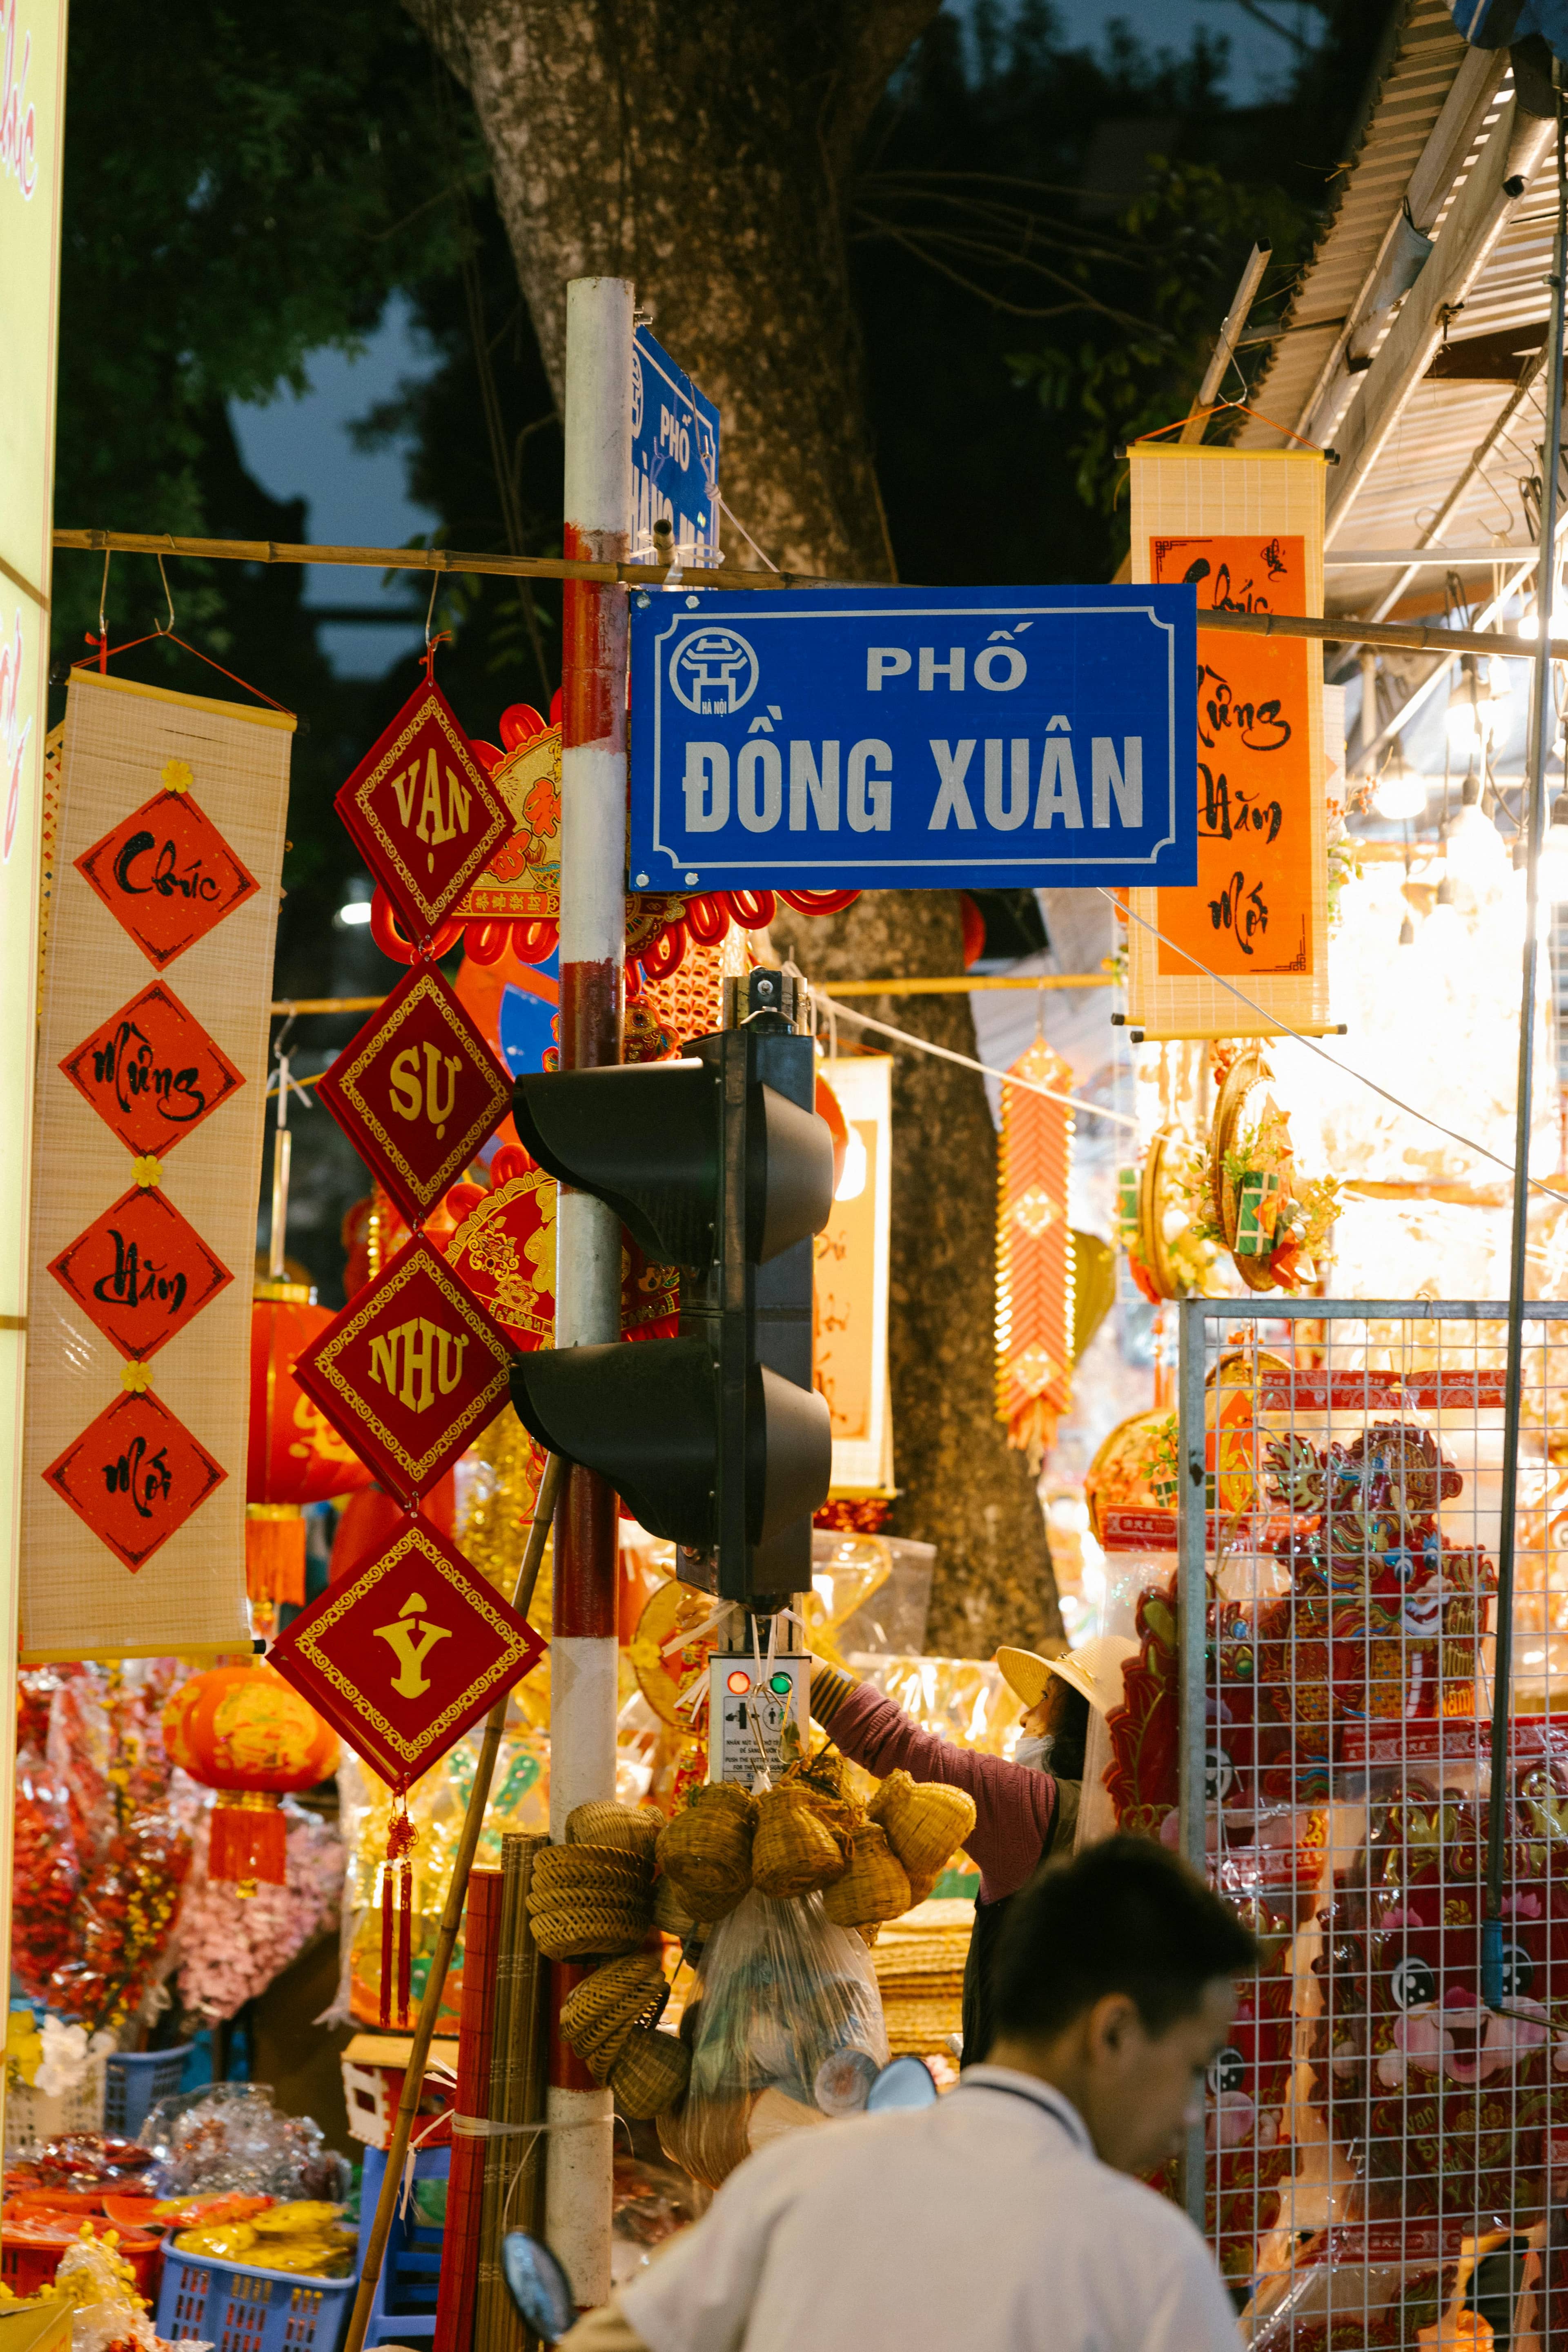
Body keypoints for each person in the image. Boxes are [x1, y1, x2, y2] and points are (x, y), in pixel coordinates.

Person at [557, 1837, 1256, 2352]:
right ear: (1115, 2033)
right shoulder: (1146, 2258)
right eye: (1196, 2067)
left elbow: (609, 2345)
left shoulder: (801, 2176)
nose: (1194, 2112)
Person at [809, 1633, 1134, 2062]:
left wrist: (793, 1661)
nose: (1025, 1716)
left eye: (1044, 1698)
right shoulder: (1134, 1818)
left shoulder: (1041, 1812)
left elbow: (896, 1745)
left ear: (1081, 1721)